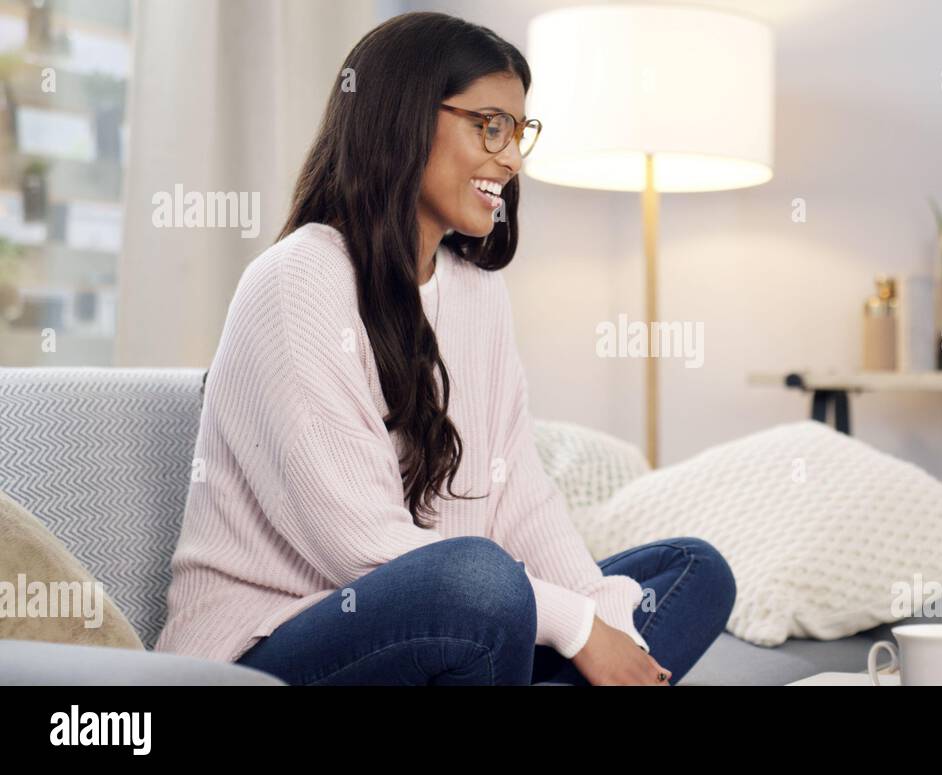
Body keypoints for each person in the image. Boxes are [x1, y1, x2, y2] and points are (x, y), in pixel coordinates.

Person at [154, 11, 736, 686]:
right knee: (480, 580)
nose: (512, 158)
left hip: (452, 625)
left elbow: (519, 495)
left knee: (694, 572)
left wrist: (608, 623)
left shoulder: (477, 292)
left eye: (520, 132)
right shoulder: (298, 281)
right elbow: (365, 551)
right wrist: (574, 627)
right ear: (402, 119)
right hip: (271, 648)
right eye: (490, 126)